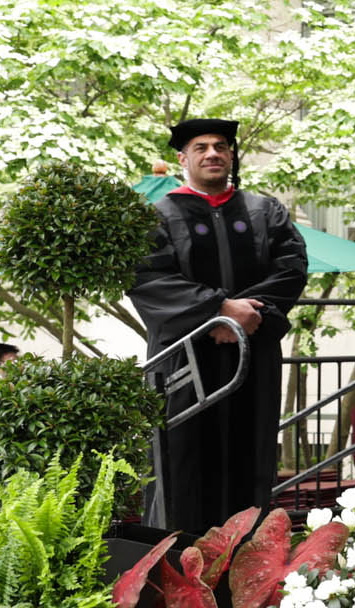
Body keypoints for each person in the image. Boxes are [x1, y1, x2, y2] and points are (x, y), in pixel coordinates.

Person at [130, 118, 309, 533]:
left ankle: (245, 561)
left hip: (252, 354)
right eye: (201, 147)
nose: (213, 153)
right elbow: (147, 278)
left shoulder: (266, 212)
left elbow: (292, 268)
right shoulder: (157, 216)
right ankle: (179, 560)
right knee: (185, 457)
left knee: (251, 451)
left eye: (221, 146)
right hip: (186, 358)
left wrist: (249, 315)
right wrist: (218, 310)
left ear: (231, 155)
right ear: (182, 158)